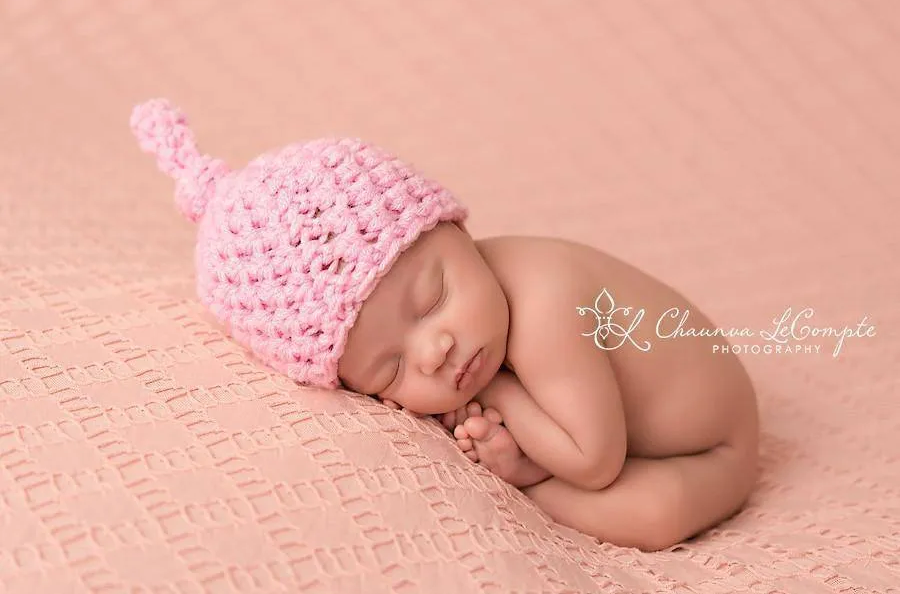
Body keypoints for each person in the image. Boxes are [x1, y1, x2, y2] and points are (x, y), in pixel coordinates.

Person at [131, 98, 759, 552]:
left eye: (433, 297)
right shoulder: (482, 315)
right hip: (617, 433)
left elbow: (595, 462)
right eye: (390, 370)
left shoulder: (542, 301)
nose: (433, 352)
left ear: (455, 227)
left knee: (650, 512)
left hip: (712, 444)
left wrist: (508, 410)